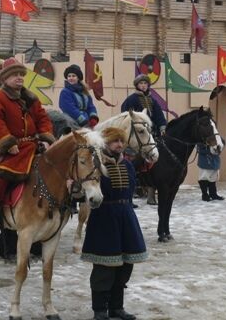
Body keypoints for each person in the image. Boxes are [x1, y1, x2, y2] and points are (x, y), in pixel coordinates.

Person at [81, 127, 147, 320]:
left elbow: (132, 187)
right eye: (114, 141)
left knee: (125, 265)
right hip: (105, 217)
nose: (119, 145)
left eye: (121, 141)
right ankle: (100, 310)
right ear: (106, 144)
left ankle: (116, 307)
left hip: (126, 217)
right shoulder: (97, 165)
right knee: (104, 268)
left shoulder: (127, 165)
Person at [0, 57, 55, 232]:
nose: (19, 78)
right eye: (15, 75)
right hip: (11, 149)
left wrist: (46, 137)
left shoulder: (30, 97)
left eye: (21, 75)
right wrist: (8, 142)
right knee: (4, 177)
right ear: (5, 78)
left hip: (33, 145)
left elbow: (43, 118)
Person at [121, 74, 166, 205]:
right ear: (137, 85)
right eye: (141, 84)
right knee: (134, 163)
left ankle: (151, 194)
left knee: (156, 164)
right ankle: (133, 189)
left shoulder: (153, 100)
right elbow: (125, 115)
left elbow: (159, 115)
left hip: (152, 135)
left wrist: (163, 126)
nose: (143, 86)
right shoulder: (131, 99)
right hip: (137, 137)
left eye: (145, 84)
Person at [59, 64, 99, 129]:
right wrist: (82, 120)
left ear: (78, 78)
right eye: (69, 76)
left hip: (87, 121)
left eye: (73, 76)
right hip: (71, 122)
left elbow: (91, 106)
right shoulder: (65, 92)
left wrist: (93, 118)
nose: (71, 78)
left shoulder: (85, 92)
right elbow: (70, 109)